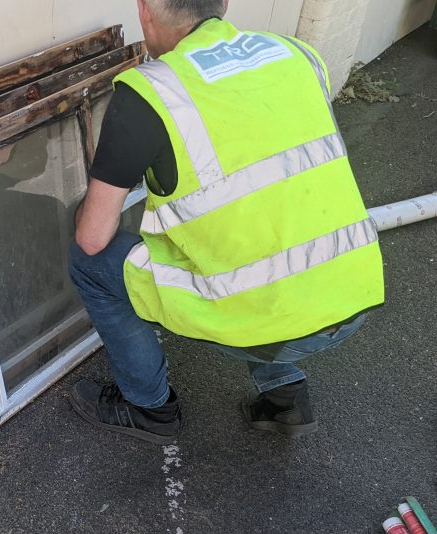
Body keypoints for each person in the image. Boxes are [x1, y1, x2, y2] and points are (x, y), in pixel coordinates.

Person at [68, 0, 385, 444]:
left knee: (88, 261)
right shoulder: (296, 54)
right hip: (352, 295)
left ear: (144, 10)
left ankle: (149, 409)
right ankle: (283, 396)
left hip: (273, 322)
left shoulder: (149, 93)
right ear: (224, 4)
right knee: (260, 241)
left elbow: (92, 236)